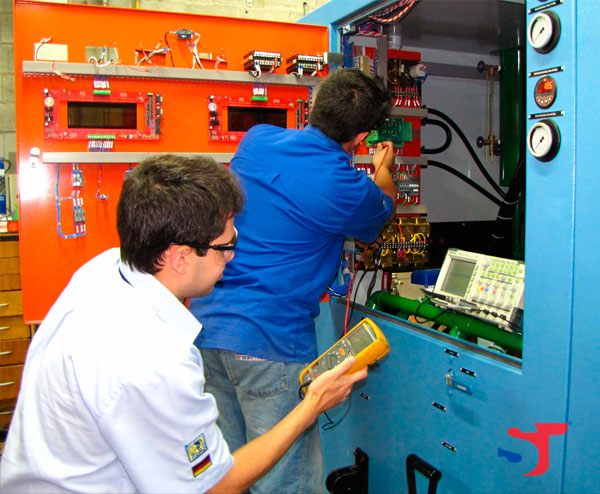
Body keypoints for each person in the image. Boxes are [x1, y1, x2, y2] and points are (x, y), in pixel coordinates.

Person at [0, 154, 367, 493]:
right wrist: (311, 405)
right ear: (180, 257)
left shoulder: (102, 270)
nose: (233, 256)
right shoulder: (155, 361)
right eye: (226, 246)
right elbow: (214, 486)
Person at [189, 68, 397, 493]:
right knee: (285, 482)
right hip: (271, 344)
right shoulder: (345, 187)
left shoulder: (257, 140)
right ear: (361, 137)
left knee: (228, 474)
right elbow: (382, 211)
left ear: (314, 106)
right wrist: (383, 168)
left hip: (207, 331)